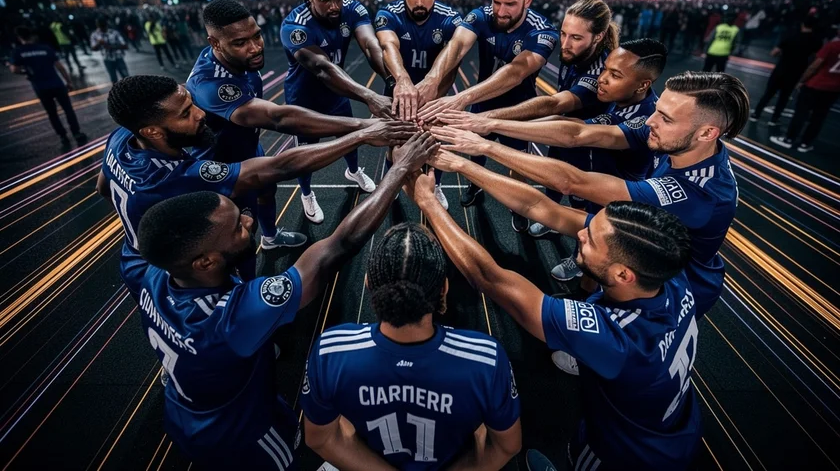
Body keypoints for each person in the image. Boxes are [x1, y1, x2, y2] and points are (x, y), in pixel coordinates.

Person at [129, 134, 435, 469]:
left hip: (187, 411)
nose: (248, 220)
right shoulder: (233, 318)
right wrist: (399, 168)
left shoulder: (156, 275)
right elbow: (336, 248)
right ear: (205, 262)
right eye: (236, 229)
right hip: (244, 437)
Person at [406, 164, 701, 471]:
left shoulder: (616, 339)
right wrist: (460, 161)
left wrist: (427, 202)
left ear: (623, 274)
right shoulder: (667, 275)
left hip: (625, 455)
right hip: (673, 429)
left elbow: (489, 279)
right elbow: (540, 207)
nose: (581, 234)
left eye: (591, 241)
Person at [432, 71, 749, 318]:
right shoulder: (680, 140)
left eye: (665, 118)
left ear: (708, 132)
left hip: (669, 292)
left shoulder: (697, 194)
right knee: (565, 223)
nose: (650, 120)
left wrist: (484, 146)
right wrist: (487, 124)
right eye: (659, 110)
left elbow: (574, 183)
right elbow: (577, 133)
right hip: (640, 255)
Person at [97, 75, 416, 294]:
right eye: (185, 114)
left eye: (193, 103)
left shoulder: (122, 137)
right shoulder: (173, 177)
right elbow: (279, 165)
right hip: (167, 268)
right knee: (209, 321)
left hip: (135, 258)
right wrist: (363, 135)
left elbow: (102, 185)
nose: (199, 114)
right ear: (152, 131)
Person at [300, 222, 522, 471]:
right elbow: (506, 446)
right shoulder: (486, 360)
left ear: (368, 284)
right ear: (444, 289)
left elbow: (321, 438)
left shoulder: (330, 351)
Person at [188, 0, 394, 251]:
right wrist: (364, 126)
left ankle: (271, 238)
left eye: (257, 36)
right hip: (222, 166)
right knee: (237, 237)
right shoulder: (211, 85)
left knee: (267, 191)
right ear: (215, 43)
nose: (254, 48)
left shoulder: (240, 61)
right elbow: (278, 118)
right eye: (240, 43)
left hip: (248, 146)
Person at [439, 37, 667, 259]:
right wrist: (498, 126)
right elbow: (573, 124)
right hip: (600, 183)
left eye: (615, 75)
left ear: (643, 84)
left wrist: (490, 126)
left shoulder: (645, 120)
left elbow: (576, 134)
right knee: (577, 221)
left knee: (601, 251)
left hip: (619, 205)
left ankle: (585, 267)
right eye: (605, 70)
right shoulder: (623, 100)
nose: (602, 79)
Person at [447, 0, 617, 237]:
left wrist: (489, 118)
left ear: (598, 37)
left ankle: (579, 255)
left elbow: (555, 102)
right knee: (551, 178)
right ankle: (551, 219)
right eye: (564, 33)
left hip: (587, 143)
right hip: (562, 130)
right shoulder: (575, 53)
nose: (565, 43)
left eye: (576, 37)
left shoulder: (600, 71)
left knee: (581, 199)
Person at [414, 0, 559, 232]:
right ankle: (475, 186)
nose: (500, 11)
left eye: (510, 4)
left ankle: (518, 206)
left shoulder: (543, 31)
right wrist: (431, 79)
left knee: (518, 162)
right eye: (496, 1)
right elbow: (456, 46)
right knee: (472, 149)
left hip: (518, 110)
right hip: (482, 102)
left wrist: (462, 98)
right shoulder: (481, 16)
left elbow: (516, 72)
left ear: (528, 0)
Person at [280, 0, 392, 224]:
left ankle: (353, 171)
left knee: (350, 136)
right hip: (304, 99)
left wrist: (393, 78)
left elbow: (370, 43)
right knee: (306, 154)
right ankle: (306, 193)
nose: (335, 6)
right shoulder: (294, 26)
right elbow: (322, 69)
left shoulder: (351, 8)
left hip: (338, 92)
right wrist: (370, 96)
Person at [375, 0, 462, 208]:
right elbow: (388, 45)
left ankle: (438, 186)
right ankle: (393, 182)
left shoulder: (450, 18)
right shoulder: (388, 14)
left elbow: (453, 59)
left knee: (435, 143)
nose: (420, 2)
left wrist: (433, 89)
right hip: (398, 94)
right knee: (395, 144)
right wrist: (402, 79)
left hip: (435, 95)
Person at [9, 26, 87, 148]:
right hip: (57, 83)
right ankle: (76, 132)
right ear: (31, 35)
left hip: (41, 87)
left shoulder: (19, 52)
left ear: (19, 38)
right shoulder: (45, 48)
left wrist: (26, 71)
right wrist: (68, 81)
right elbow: (60, 66)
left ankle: (63, 136)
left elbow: (14, 69)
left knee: (52, 113)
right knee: (68, 109)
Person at [770, 35, 840, 153]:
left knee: (801, 113)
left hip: (816, 84)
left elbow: (815, 65)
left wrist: (802, 80)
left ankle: (789, 139)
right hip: (834, 89)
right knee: (819, 117)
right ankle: (805, 143)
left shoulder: (832, 46)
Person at [751, 16, 823, 125]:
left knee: (769, 93)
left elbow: (774, 52)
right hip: (796, 71)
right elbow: (815, 58)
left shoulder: (791, 36)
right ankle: (774, 118)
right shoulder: (816, 41)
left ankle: (756, 113)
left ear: (803, 24)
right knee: (784, 97)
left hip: (781, 69)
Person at [90, 18, 130, 84]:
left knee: (126, 77)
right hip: (107, 59)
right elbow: (93, 48)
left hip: (118, 57)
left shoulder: (114, 33)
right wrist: (99, 43)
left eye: (102, 25)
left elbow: (125, 46)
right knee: (114, 79)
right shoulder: (95, 35)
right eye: (100, 26)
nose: (101, 28)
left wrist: (110, 46)